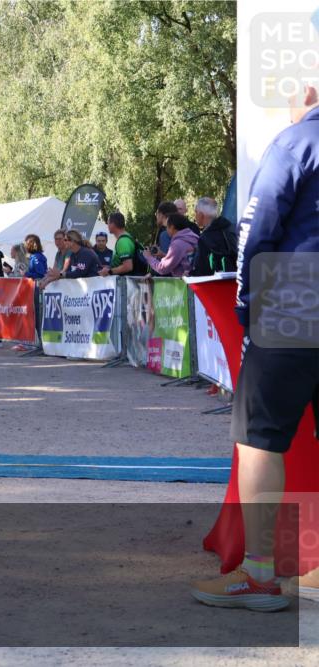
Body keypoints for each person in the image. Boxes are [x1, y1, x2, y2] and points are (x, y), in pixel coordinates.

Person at [191, 83, 319, 611]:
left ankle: (260, 575)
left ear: (309, 92)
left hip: (295, 300)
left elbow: (256, 227)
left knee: (259, 436)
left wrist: (247, 304)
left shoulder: (296, 142)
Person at [189, 196, 238, 276]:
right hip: (237, 282)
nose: (195, 215)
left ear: (201, 215)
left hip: (214, 285)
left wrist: (190, 273)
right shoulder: (232, 229)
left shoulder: (205, 238)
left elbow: (201, 270)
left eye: (196, 212)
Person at [99, 212, 145, 277]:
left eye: (108, 223)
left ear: (113, 224)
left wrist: (109, 271)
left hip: (127, 283)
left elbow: (128, 266)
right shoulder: (125, 238)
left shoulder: (123, 241)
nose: (107, 225)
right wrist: (109, 267)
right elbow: (121, 263)